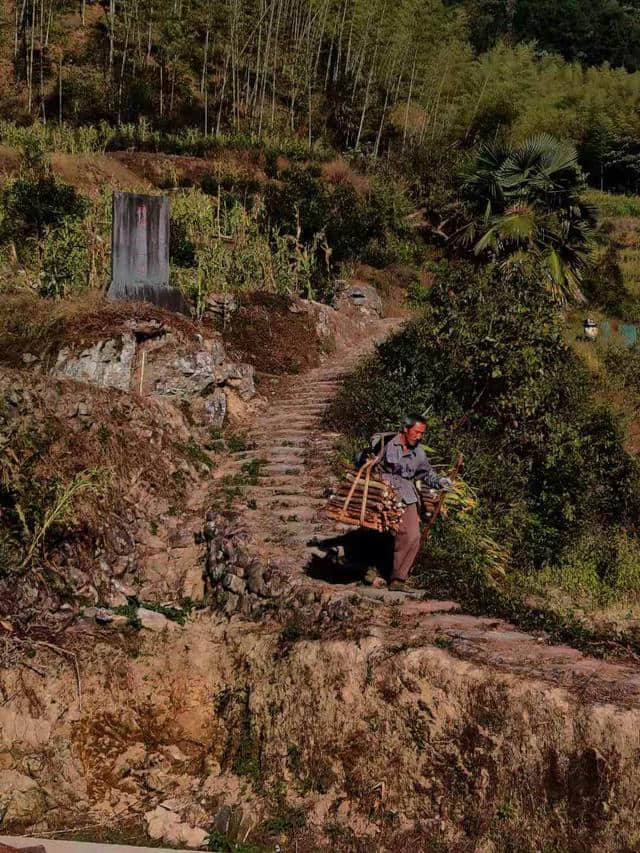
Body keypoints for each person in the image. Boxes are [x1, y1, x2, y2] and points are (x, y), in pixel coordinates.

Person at [377, 414, 451, 591]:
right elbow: (375, 465)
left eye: (422, 434)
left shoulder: (419, 453)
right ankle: (375, 570)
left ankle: (398, 579)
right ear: (405, 429)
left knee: (413, 535)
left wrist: (440, 481)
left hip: (406, 495)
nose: (419, 437)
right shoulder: (387, 444)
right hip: (384, 493)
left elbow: (426, 474)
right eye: (416, 432)